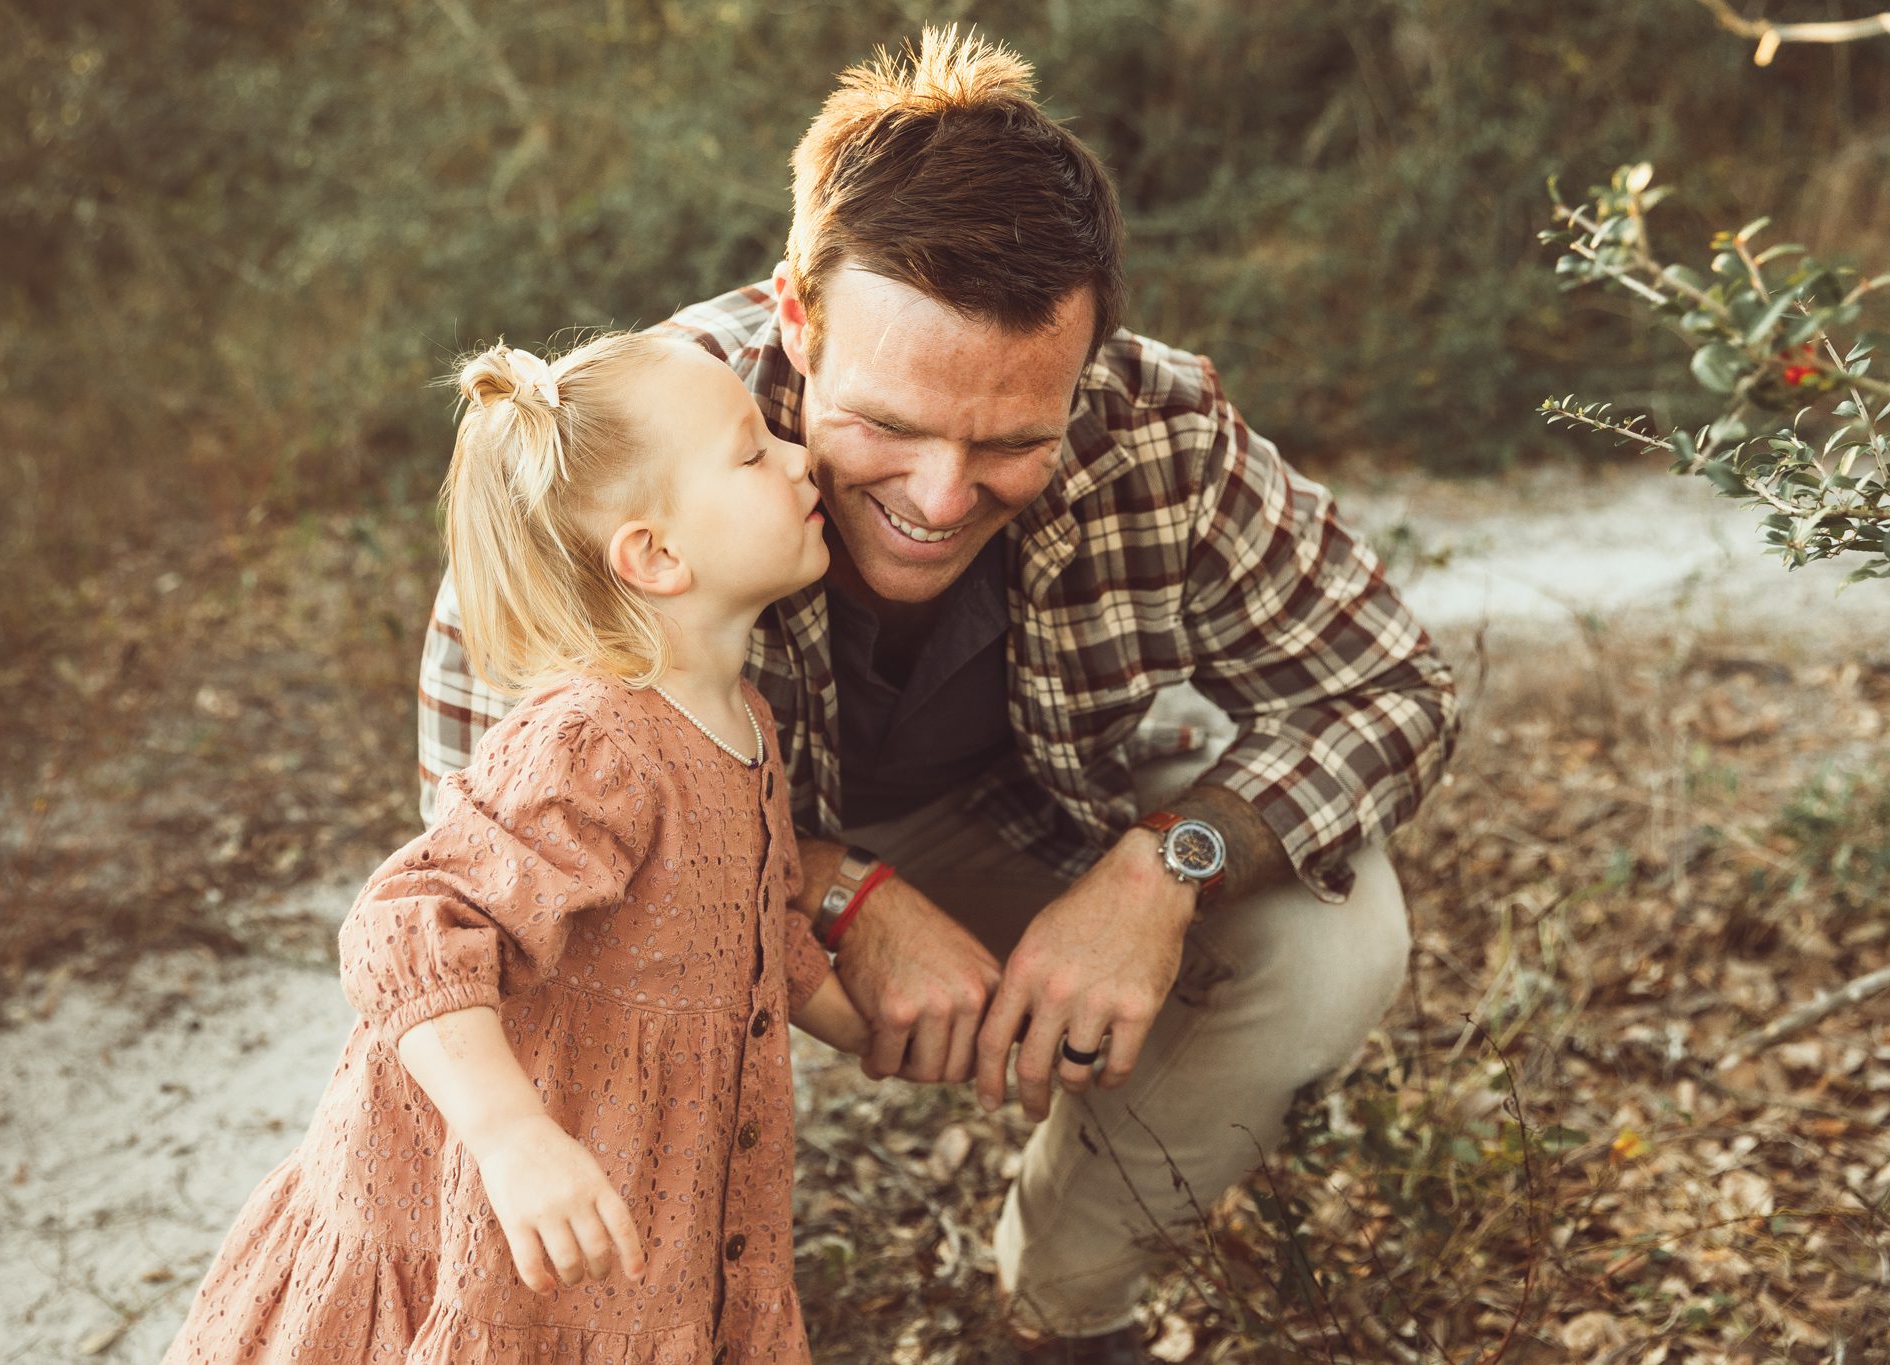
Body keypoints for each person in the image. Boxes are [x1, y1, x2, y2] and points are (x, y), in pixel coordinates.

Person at [418, 29, 1460, 1363]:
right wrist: (829, 887)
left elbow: (1390, 681)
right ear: (797, 315)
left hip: (1015, 820)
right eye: (892, 426)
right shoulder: (614, 452)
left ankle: (1066, 1302)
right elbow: (478, 831)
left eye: (1015, 438)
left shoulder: (1159, 426)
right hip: (698, 862)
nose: (940, 496)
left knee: (1338, 942)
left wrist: (1163, 866)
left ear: (1085, 362)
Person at [165, 334, 867, 1364]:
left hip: (636, 1238)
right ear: (656, 555)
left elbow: (748, 940)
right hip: (496, 1234)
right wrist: (512, 1135)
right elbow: (409, 928)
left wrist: (879, 1030)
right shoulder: (594, 741)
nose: (802, 456)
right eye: (753, 452)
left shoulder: (743, 723)